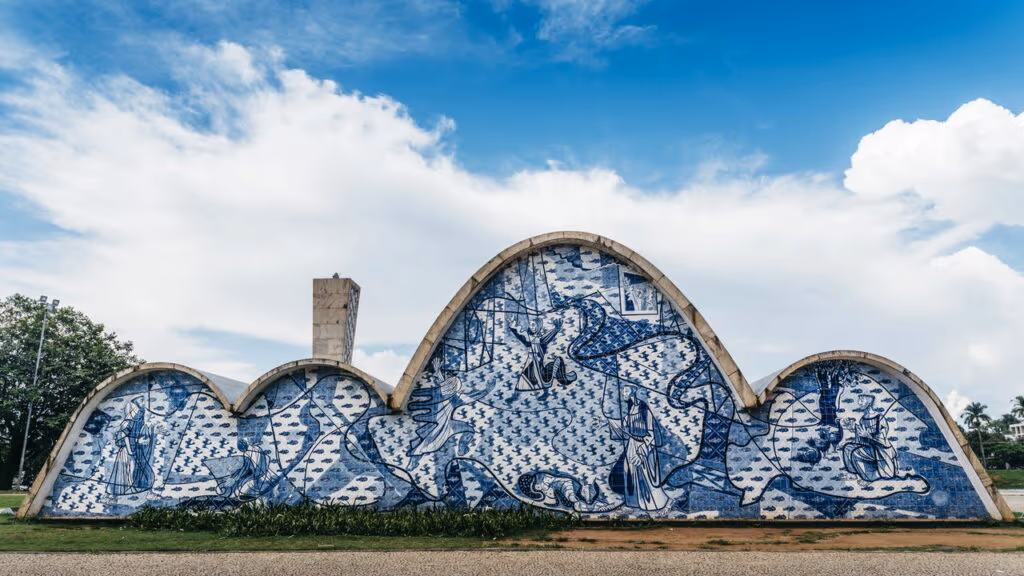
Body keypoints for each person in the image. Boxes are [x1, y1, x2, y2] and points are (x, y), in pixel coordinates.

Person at [609, 387, 669, 511]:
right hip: (632, 445)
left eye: (625, 391)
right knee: (629, 471)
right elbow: (624, 423)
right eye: (623, 391)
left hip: (644, 446)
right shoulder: (632, 408)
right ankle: (632, 504)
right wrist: (606, 422)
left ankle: (651, 503)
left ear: (632, 392)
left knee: (644, 475)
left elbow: (651, 434)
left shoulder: (644, 409)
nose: (622, 393)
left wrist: (641, 453)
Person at [408, 358, 474, 458]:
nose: (446, 375)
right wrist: (438, 371)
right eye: (446, 373)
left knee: (427, 439)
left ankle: (462, 447)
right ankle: (414, 457)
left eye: (448, 373)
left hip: (444, 421)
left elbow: (446, 389)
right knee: (425, 439)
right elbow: (445, 389)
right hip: (441, 421)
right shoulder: (450, 389)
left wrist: (438, 371)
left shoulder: (455, 383)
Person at [509, 317, 576, 395]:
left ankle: (545, 394)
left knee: (540, 379)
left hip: (537, 363)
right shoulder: (529, 337)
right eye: (530, 325)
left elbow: (547, 337)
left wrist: (556, 329)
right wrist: (513, 325)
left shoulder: (540, 340)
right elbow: (521, 336)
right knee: (525, 380)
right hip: (530, 362)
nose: (532, 327)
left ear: (539, 326)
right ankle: (515, 396)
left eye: (534, 325)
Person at [841, 394, 898, 482]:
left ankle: (869, 478)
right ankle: (855, 474)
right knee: (848, 448)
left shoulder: (879, 418)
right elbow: (860, 436)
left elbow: (882, 438)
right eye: (859, 400)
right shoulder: (862, 419)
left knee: (855, 452)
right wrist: (853, 427)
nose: (859, 403)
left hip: (879, 450)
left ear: (869, 401)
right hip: (868, 447)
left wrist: (868, 436)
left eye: (862, 400)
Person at [107, 398, 155, 496]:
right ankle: (114, 495)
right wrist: (130, 450)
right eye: (142, 400)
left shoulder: (139, 418)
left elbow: (140, 433)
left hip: (137, 450)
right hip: (128, 451)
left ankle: (146, 492)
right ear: (135, 404)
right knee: (128, 472)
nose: (144, 402)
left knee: (145, 472)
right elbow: (125, 436)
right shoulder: (129, 420)